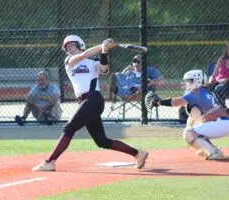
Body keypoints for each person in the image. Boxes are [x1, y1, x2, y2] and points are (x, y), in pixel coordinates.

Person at [31, 35, 149, 171]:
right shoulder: (69, 61)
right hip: (85, 102)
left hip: (93, 99)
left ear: (80, 45)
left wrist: (104, 51)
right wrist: (102, 45)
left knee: (69, 128)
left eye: (72, 45)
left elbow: (105, 69)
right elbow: (84, 54)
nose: (69, 48)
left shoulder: (93, 62)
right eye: (67, 47)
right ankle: (138, 153)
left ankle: (50, 161)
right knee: (101, 141)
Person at [148, 69, 229, 160]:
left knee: (189, 133)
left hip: (221, 123)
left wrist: (158, 102)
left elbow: (176, 102)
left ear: (197, 81)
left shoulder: (195, 92)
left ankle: (213, 151)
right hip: (222, 123)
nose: (187, 83)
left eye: (189, 80)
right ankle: (209, 148)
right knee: (191, 121)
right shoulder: (206, 91)